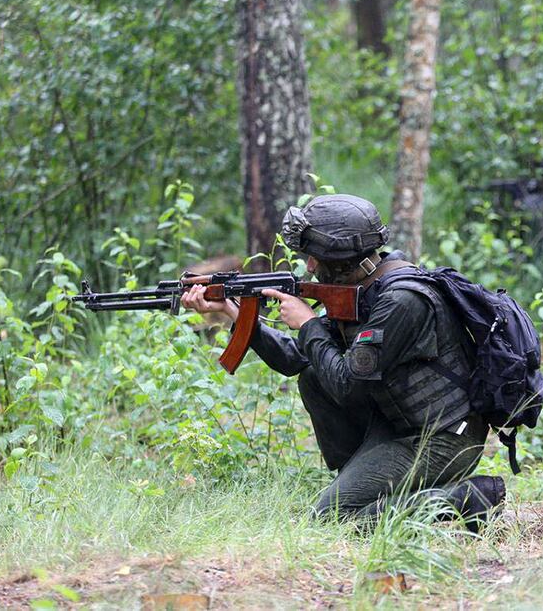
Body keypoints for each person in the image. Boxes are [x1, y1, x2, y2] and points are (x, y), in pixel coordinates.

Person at [180, 194, 505, 530]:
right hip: (398, 426)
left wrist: (308, 323)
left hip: (443, 438)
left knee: (331, 519)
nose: (308, 266)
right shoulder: (363, 287)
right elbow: (298, 359)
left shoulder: (401, 300)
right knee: (313, 375)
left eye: (314, 257)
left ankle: (464, 498)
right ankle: (358, 482)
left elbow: (348, 386)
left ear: (339, 259)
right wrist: (234, 313)